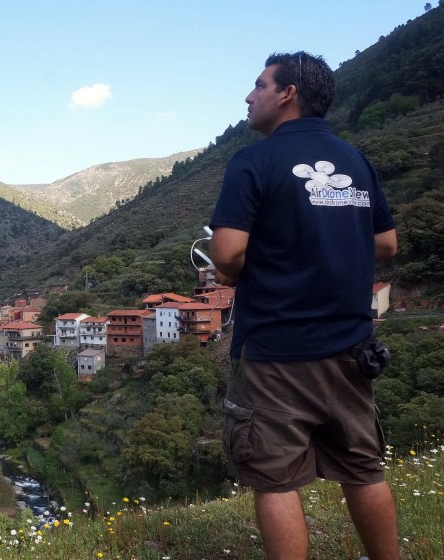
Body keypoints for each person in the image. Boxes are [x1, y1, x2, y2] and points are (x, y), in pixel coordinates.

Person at [209, 51, 399, 560]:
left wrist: (267, 255)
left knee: (274, 480)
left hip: (277, 349)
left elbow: (226, 256)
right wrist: (327, 242)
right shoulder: (355, 160)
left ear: (287, 93)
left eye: (259, 85)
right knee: (363, 467)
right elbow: (386, 245)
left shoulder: (254, 160)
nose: (249, 97)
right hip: (351, 348)